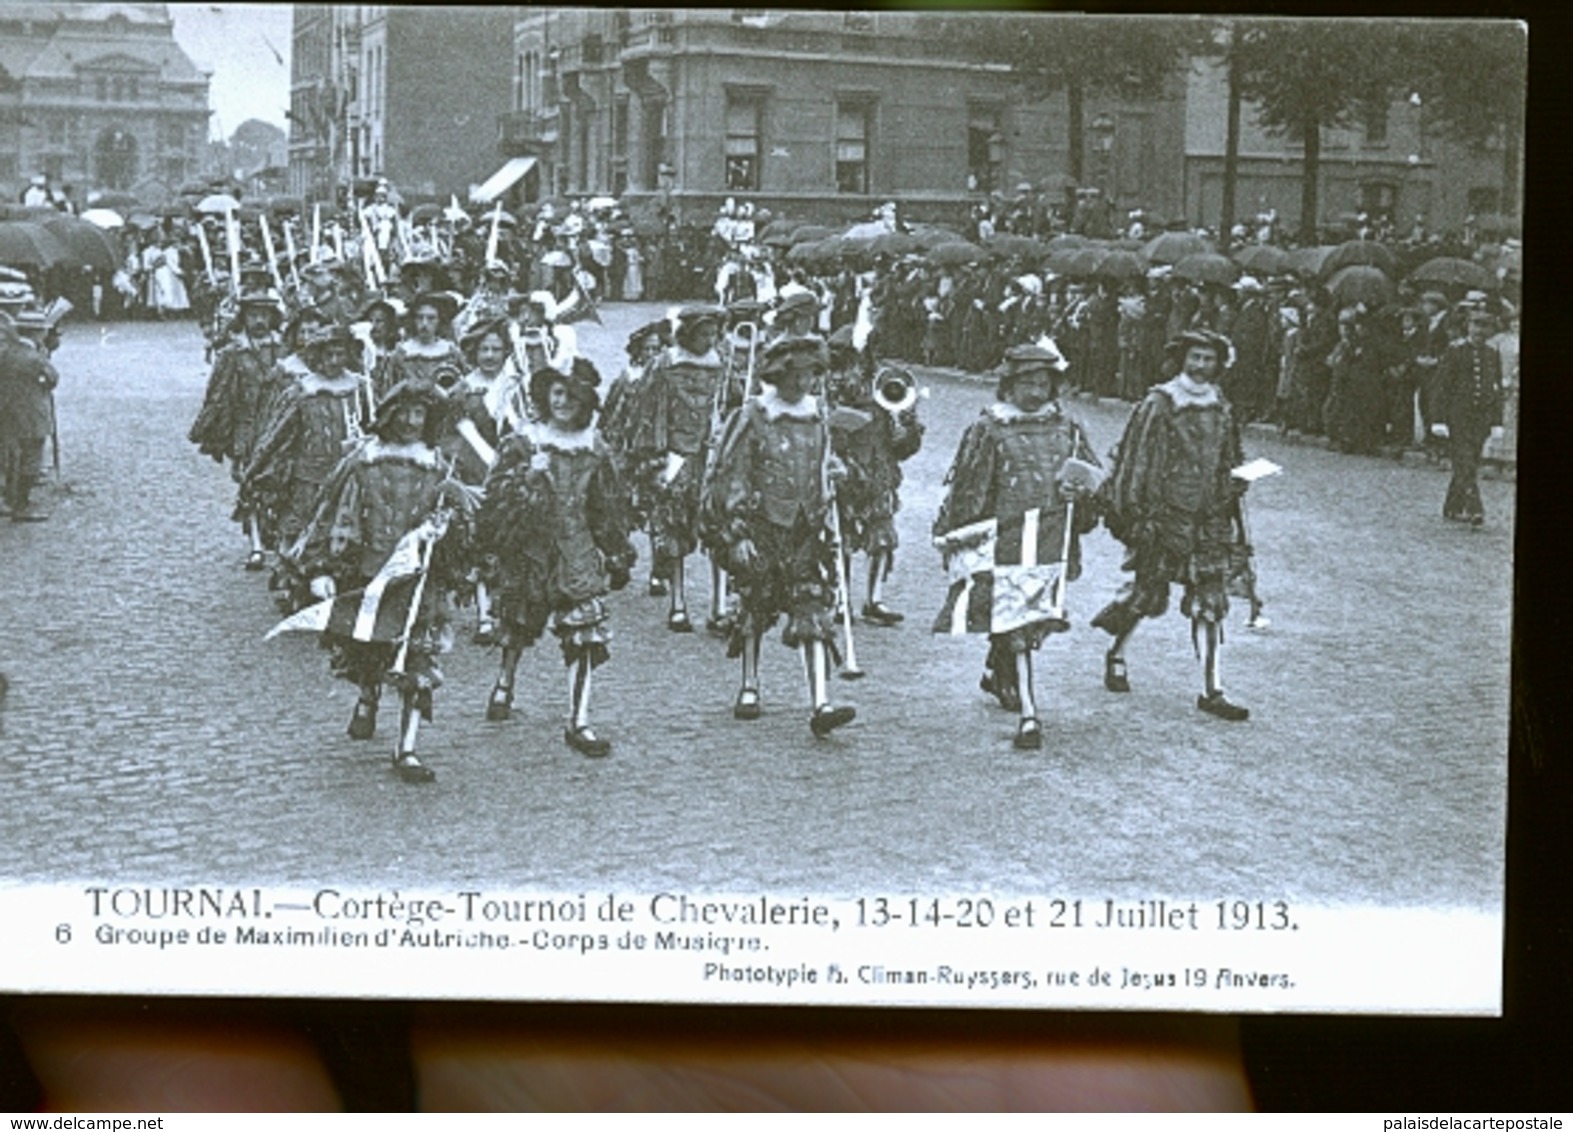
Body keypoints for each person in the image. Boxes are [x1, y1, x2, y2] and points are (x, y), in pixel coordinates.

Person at [285, 379, 472, 783]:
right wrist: (323, 569)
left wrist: (444, 528)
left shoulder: (439, 467)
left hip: (419, 578)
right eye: (403, 412)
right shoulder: (363, 462)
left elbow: (457, 519)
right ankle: (368, 695)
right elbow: (337, 515)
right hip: (370, 572)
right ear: (390, 414)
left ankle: (406, 749)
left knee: (418, 657)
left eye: (419, 413)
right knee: (370, 649)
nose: (409, 421)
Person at [931, 343, 1101, 750]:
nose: (1036, 392)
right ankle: (1029, 714)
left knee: (1027, 619)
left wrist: (1082, 491)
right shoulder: (990, 428)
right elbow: (969, 487)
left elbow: (1093, 478)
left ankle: (998, 671)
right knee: (1017, 621)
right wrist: (962, 533)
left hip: (1049, 538)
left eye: (1043, 383)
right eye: (1027, 383)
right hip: (1005, 539)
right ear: (1009, 385)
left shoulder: (1067, 428)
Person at [1092, 329, 1256, 721]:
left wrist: (1236, 479)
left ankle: (1212, 689)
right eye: (1195, 357)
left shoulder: (1221, 405)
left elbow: (1228, 457)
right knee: (1146, 594)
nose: (1201, 366)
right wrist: (1139, 514)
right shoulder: (1160, 402)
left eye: (1209, 359)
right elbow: (1139, 459)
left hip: (1211, 518)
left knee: (1211, 602)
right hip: (1165, 518)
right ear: (1182, 359)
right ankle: (1116, 653)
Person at [475, 357, 634, 757]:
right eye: (557, 393)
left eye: (573, 396)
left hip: (576, 551)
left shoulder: (595, 449)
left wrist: (615, 550)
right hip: (530, 550)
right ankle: (505, 681)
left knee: (585, 632)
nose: (563, 401)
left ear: (585, 403)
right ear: (545, 395)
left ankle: (579, 721)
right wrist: (527, 476)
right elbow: (494, 497)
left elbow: (605, 506)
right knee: (517, 621)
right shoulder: (523, 442)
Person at [701, 334, 857, 738]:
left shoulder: (818, 413)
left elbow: (826, 458)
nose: (803, 383)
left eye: (809, 375)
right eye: (796, 375)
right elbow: (731, 472)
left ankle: (820, 700)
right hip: (763, 524)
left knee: (812, 604)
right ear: (779, 374)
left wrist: (836, 472)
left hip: (807, 527)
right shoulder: (754, 414)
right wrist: (737, 531)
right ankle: (749, 683)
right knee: (755, 604)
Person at [240, 325, 372, 594]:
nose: (334, 361)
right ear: (318, 356)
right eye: (329, 355)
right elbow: (276, 434)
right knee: (302, 528)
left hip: (350, 476)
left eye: (340, 354)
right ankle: (295, 584)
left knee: (343, 529)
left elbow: (374, 426)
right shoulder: (302, 391)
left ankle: (342, 583)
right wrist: (256, 469)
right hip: (309, 476)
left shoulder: (361, 388)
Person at [631, 304, 726, 628]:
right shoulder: (665, 365)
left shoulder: (720, 365)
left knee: (721, 525)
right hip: (676, 456)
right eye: (703, 334)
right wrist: (656, 456)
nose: (710, 340)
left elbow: (734, 402)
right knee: (674, 527)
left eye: (714, 333)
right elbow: (650, 412)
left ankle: (720, 604)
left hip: (710, 456)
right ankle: (678, 600)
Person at [825, 330, 924, 627]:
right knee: (841, 540)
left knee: (882, 539)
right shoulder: (830, 388)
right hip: (847, 472)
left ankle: (874, 598)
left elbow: (903, 448)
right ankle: (841, 599)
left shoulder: (885, 389)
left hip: (880, 474)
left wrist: (907, 427)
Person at [188, 290, 284, 568]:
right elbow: (218, 393)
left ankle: (276, 538)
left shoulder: (284, 349)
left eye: (263, 315)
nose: (259, 321)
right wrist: (213, 428)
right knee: (250, 486)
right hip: (247, 428)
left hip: (279, 426)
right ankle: (256, 545)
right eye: (253, 315)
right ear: (244, 318)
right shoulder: (233, 353)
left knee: (279, 484)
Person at [1431, 305, 1505, 527]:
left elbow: (1496, 389)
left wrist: (1496, 421)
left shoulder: (1492, 354)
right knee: (1464, 461)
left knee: (1469, 460)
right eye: (1475, 325)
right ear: (1468, 327)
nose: (1479, 331)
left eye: (1484, 327)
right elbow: (1441, 387)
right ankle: (1475, 508)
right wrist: (1438, 419)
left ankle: (1452, 507)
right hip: (1458, 417)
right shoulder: (1455, 351)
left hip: (1480, 419)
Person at [0, 310, 59, 522]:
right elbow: (52, 378)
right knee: (31, 457)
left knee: (9, 455)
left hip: (6, 409)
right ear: (38, 333)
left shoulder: (5, 352)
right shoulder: (34, 357)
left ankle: (8, 498)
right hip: (31, 411)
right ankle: (21, 505)